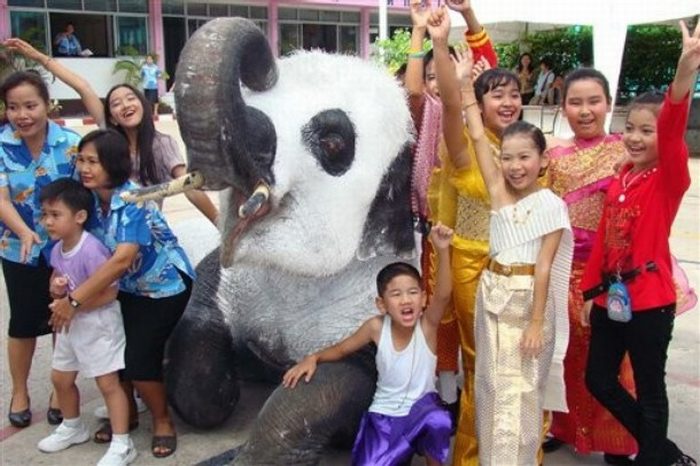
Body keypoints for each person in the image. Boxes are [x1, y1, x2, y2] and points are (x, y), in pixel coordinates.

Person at [580, 20, 699, 466]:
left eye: (646, 131)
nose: (634, 137)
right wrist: (589, 293)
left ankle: (653, 458)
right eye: (630, 127)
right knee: (599, 380)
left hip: (650, 301)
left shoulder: (668, 178)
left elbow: (672, 130)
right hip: (613, 298)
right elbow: (604, 244)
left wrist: (684, 71)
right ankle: (665, 453)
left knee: (651, 388)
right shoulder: (622, 179)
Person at [453, 38, 573, 463]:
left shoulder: (551, 206)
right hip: (491, 298)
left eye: (525, 157)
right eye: (508, 158)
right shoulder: (499, 192)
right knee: (488, 385)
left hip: (528, 306)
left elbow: (544, 267)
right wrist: (466, 88)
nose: (515, 165)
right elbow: (476, 137)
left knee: (522, 394)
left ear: (542, 160)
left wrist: (538, 323)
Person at [48, 129, 194, 458]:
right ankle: (123, 416)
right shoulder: (87, 201)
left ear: (112, 164)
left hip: (162, 287)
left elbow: (122, 259)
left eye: (93, 162)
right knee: (117, 356)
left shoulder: (133, 201)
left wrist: (74, 301)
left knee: (140, 360)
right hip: (122, 290)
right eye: (81, 160)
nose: (84, 168)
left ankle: (162, 421)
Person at [426, 7, 530, 465]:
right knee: (482, 365)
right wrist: (440, 43)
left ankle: (517, 450)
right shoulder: (466, 147)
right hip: (471, 267)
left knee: (516, 369)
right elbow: (451, 104)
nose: (507, 103)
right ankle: (473, 454)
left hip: (521, 271)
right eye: (496, 96)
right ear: (479, 102)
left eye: (515, 95)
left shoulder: (529, 151)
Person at [283, 223, 454, 466]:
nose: (406, 299)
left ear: (424, 298)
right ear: (382, 304)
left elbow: (445, 294)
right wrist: (314, 357)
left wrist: (443, 250)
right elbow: (342, 349)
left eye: (413, 292)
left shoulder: (427, 325)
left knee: (438, 420)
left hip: (421, 411)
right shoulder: (375, 327)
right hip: (385, 417)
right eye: (396, 294)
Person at [404, 0, 498, 437]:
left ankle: (481, 403)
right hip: (435, 240)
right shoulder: (432, 115)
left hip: (483, 248)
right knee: (438, 320)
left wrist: (470, 19)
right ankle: (445, 398)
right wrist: (422, 35)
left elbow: (494, 79)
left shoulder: (489, 130)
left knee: (482, 335)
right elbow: (416, 91)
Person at [5, 39, 218, 226]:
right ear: (112, 117)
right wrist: (40, 58)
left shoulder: (162, 144)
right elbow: (83, 87)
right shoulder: (110, 140)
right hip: (105, 231)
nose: (125, 105)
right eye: (116, 103)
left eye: (131, 98)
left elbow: (189, 186)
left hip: (143, 232)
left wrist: (220, 224)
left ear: (143, 104)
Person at [545, 67, 638, 463]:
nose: (585, 111)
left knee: (613, 362)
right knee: (563, 358)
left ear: (608, 104)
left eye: (593, 101)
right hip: (561, 272)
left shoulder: (625, 151)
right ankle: (561, 427)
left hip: (609, 276)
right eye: (575, 102)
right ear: (563, 107)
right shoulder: (551, 154)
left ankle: (617, 438)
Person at [0, 69, 82, 428]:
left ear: (47, 105)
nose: (23, 115)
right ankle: (20, 392)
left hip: (64, 250)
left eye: (31, 105)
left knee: (62, 320)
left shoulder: (70, 143)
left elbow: (84, 195)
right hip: (17, 248)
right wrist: (26, 232)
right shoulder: (1, 145)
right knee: (21, 322)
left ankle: (59, 391)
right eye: (14, 107)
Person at [36, 178, 136, 466]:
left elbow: (110, 292)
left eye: (55, 215)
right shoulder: (57, 249)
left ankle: (122, 442)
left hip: (98, 324)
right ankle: (72, 426)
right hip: (70, 324)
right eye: (45, 215)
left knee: (108, 384)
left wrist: (73, 307)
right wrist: (57, 290)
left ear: (80, 217)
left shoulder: (91, 249)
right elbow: (58, 279)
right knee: (60, 378)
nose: (48, 222)